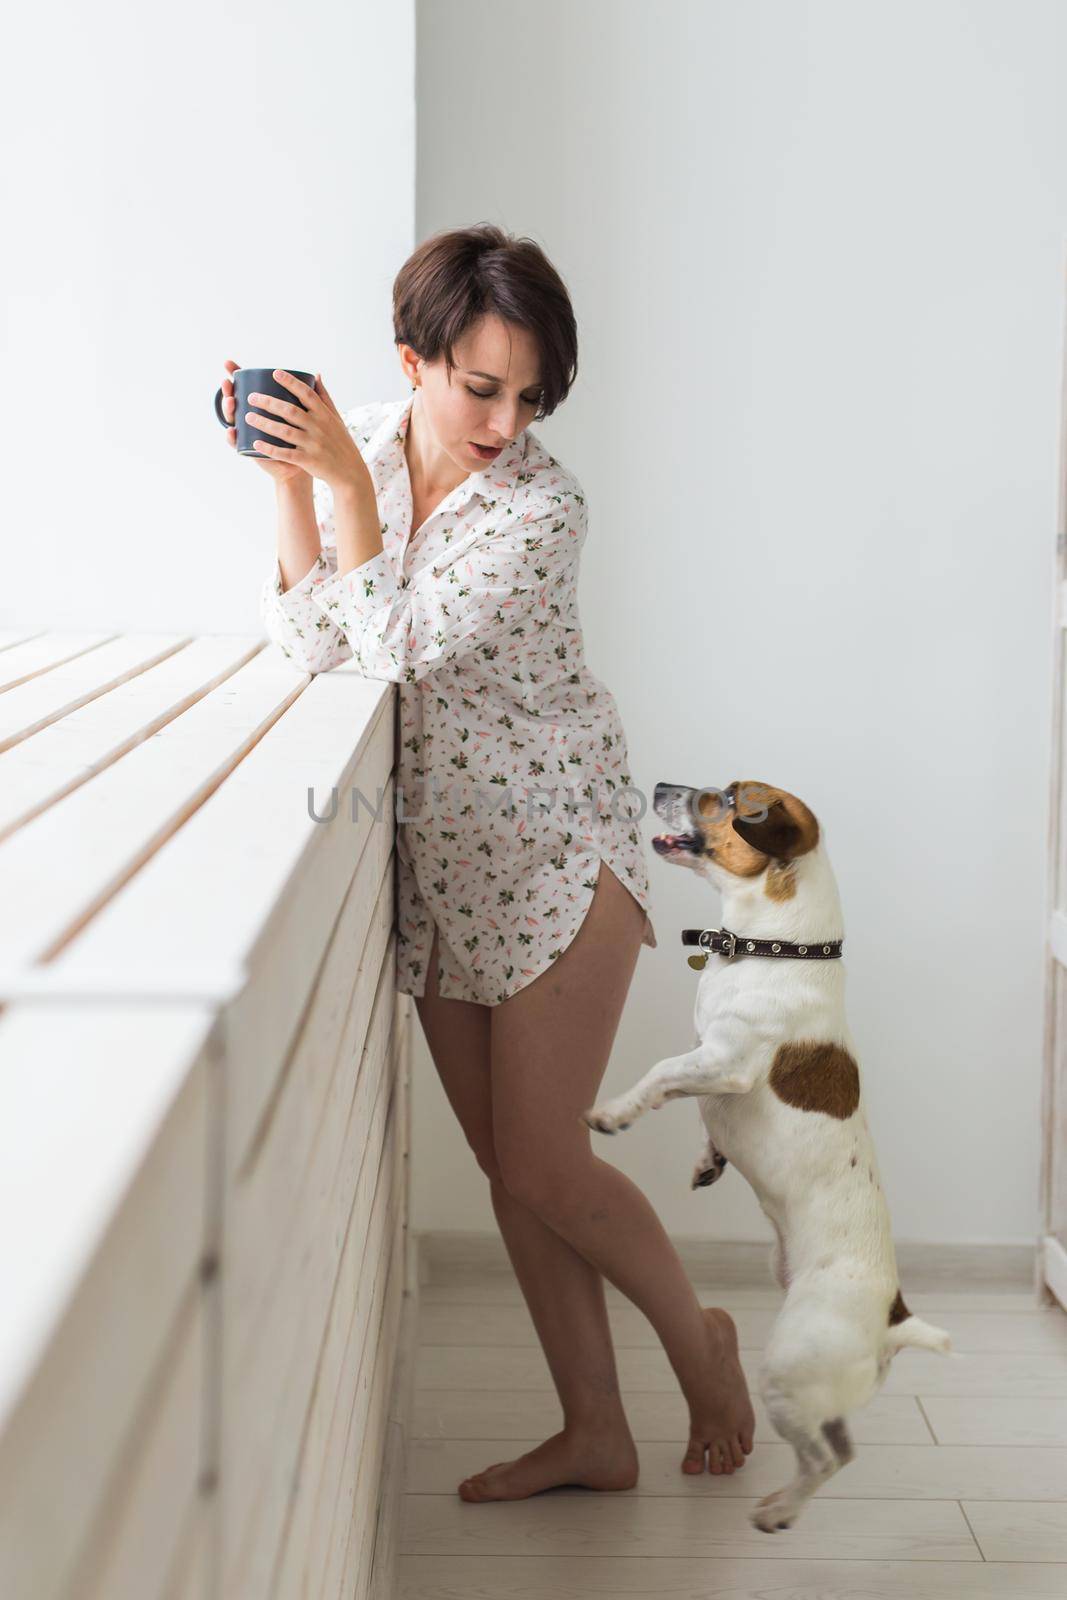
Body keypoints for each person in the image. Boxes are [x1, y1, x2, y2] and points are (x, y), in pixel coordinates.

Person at [220, 223, 754, 1500]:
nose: (505, 419)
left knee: (545, 1161)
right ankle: (594, 1432)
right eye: (480, 386)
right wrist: (292, 478)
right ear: (413, 360)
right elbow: (310, 645)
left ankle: (703, 1348)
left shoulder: (544, 508)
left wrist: (347, 490)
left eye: (529, 395)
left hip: (564, 854)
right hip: (443, 870)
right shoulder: (361, 443)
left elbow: (392, 643)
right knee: (513, 1173)